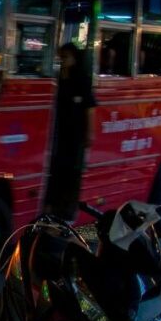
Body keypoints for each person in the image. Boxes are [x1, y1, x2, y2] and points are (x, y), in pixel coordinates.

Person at [44, 42, 95, 221]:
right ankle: (51, 205)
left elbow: (89, 108)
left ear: (74, 58)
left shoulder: (81, 79)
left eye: (65, 57)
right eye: (60, 57)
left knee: (70, 173)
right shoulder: (56, 79)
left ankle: (66, 210)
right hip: (57, 133)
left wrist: (89, 133)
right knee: (54, 169)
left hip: (74, 135)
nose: (62, 61)